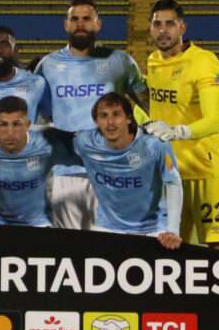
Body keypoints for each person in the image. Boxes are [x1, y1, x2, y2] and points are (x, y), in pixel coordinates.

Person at [34, 0, 147, 230]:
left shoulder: (121, 62)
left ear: (98, 24)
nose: (80, 24)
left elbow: (149, 104)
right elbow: (37, 117)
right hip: (66, 170)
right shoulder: (48, 65)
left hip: (113, 167)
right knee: (69, 242)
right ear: (66, 25)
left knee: (113, 241)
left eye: (87, 19)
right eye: (74, 19)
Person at [145, 0, 219, 250]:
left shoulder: (204, 61)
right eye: (157, 24)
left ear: (182, 27)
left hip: (205, 170)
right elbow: (147, 107)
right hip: (169, 174)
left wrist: (177, 132)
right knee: (167, 249)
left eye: (170, 24)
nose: (163, 30)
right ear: (150, 28)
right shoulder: (152, 62)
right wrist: (147, 125)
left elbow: (214, 121)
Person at [74, 93, 182, 247]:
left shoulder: (154, 144)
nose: (110, 122)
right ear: (96, 121)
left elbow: (173, 182)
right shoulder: (84, 143)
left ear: (129, 118)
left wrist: (173, 230)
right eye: (103, 116)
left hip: (154, 229)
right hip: (107, 228)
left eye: (117, 115)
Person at [0, 96, 63, 227]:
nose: (10, 133)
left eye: (17, 124)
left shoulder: (47, 144)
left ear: (28, 125)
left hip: (38, 222)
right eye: (3, 124)